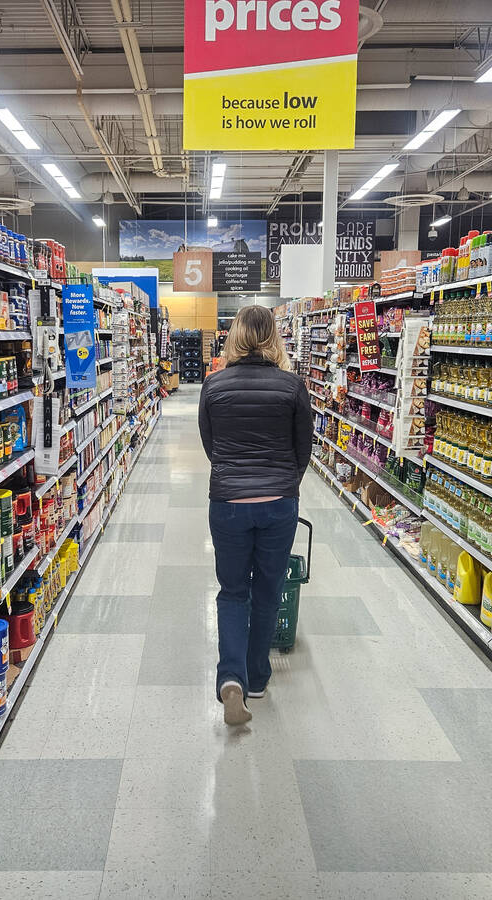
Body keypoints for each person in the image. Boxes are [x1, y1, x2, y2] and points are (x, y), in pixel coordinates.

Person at [197, 304, 312, 725]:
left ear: (235, 336)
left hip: (227, 504)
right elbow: (304, 451)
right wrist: (281, 483)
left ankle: (231, 679)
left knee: (232, 592)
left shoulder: (214, 386)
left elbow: (212, 447)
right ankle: (258, 678)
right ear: (274, 338)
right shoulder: (292, 386)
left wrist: (234, 477)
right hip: (279, 504)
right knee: (267, 589)